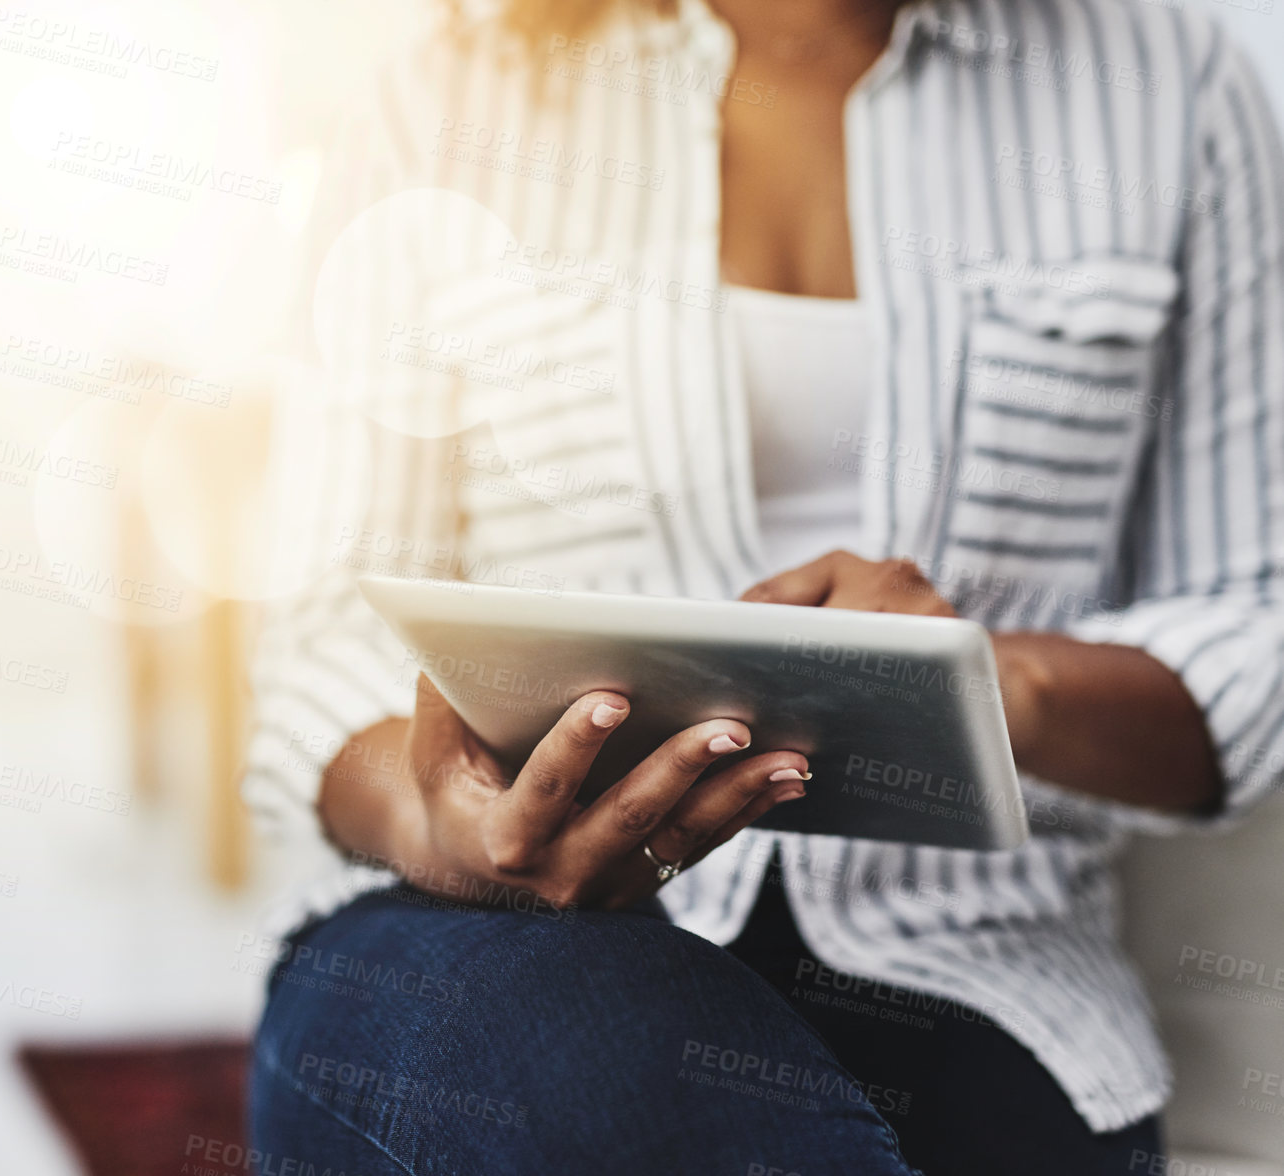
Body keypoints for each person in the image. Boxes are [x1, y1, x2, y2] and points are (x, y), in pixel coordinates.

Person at [242, 0, 1284, 1170]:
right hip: (494, 945)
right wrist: (444, 821)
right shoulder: (442, 98)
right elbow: (315, 652)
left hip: (985, 973)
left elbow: (1254, 627)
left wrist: (1004, 682)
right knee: (603, 1051)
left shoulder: (1170, 86)